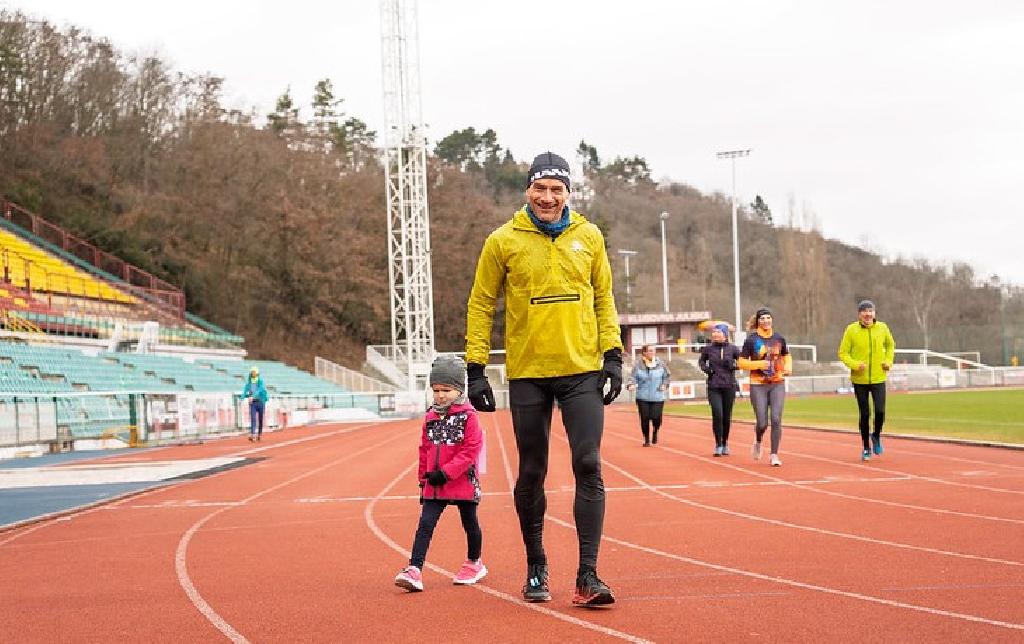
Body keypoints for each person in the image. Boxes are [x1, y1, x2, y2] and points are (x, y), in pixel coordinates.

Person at [464, 151, 622, 607]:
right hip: (529, 373)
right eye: (540, 188)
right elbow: (481, 304)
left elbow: (604, 298)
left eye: (557, 190)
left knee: (588, 463)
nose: (548, 197)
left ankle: (588, 575)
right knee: (532, 471)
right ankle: (536, 565)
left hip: (582, 370)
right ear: (527, 191)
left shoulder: (589, 236)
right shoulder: (502, 241)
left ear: (568, 193)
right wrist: (476, 368)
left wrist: (612, 354)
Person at [394, 355, 487, 592]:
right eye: (436, 390)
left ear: (459, 390)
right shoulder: (431, 416)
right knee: (425, 524)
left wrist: (446, 473)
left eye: (446, 390)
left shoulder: (469, 416)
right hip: (435, 485)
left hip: (462, 482)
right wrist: (422, 480)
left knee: (470, 523)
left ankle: (475, 562)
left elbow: (471, 450)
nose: (440, 395)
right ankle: (414, 569)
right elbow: (424, 448)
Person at [838, 300, 896, 461]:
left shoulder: (882, 328)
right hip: (859, 380)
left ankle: (876, 435)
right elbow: (843, 353)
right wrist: (855, 365)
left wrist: (888, 362)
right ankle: (865, 447)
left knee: (880, 411)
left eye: (870, 311)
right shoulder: (851, 330)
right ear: (859, 315)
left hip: (878, 377)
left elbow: (891, 346)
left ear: (874, 313)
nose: (868, 314)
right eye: (865, 311)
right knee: (865, 414)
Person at [737, 308, 791, 466]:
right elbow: (741, 362)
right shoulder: (751, 340)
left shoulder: (779, 338)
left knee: (776, 419)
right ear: (758, 321)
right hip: (758, 384)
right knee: (762, 422)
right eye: (763, 318)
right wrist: (759, 364)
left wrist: (787, 367)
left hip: (777, 382)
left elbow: (786, 354)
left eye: (769, 318)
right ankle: (758, 440)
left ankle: (774, 454)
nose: (766, 321)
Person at [698, 323, 741, 456]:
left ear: (725, 334)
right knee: (718, 414)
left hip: (729, 386)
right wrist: (707, 370)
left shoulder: (733, 349)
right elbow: (701, 362)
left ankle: (725, 443)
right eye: (714, 332)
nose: (715, 334)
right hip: (714, 386)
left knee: (726, 417)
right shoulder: (708, 349)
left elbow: (742, 362)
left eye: (719, 332)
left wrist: (734, 365)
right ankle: (718, 444)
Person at [626, 345, 671, 446]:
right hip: (642, 397)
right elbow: (632, 377)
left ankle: (655, 431)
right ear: (644, 353)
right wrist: (631, 384)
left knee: (656, 417)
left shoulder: (661, 364)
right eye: (650, 351)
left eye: (653, 351)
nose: (652, 353)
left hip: (658, 396)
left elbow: (667, 376)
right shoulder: (638, 365)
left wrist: (665, 384)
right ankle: (646, 439)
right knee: (644, 418)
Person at [241, 367, 268, 442]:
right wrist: (242, 398)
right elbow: (245, 391)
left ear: (257, 373)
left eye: (254, 372)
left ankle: (259, 434)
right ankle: (253, 435)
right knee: (253, 418)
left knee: (260, 419)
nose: (253, 373)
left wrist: (253, 396)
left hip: (260, 402)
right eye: (252, 372)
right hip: (253, 403)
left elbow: (260, 390)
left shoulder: (260, 382)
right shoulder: (249, 383)